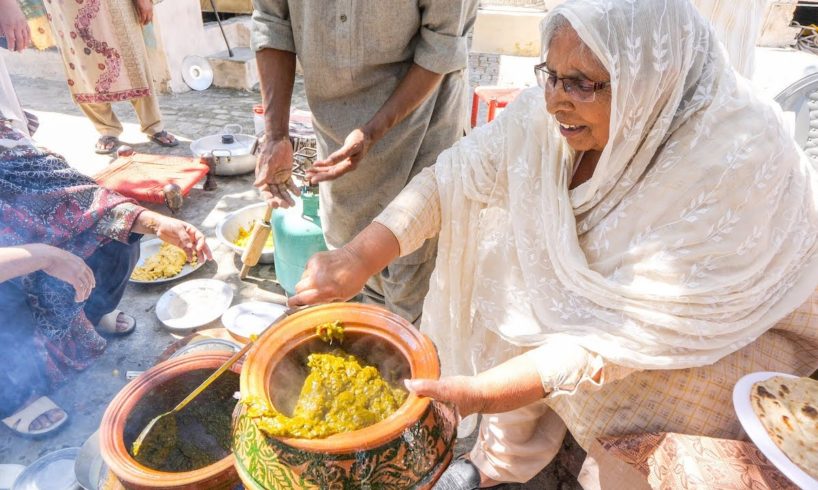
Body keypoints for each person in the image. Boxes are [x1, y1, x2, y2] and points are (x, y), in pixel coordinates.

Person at [288, 0, 818, 487]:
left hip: (737, 332)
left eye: (583, 84)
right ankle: (502, 458)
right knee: (517, 267)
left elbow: (615, 343)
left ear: (647, 84)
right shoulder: (555, 115)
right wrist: (355, 256)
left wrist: (482, 393)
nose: (556, 100)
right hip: (621, 316)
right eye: (550, 75)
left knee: (627, 408)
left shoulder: (728, 165)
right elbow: (455, 176)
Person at [251, 0, 478, 323]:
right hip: (339, 154)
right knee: (355, 274)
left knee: (413, 297)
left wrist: (373, 131)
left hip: (421, 139)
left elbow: (441, 44)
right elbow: (272, 22)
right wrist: (275, 135)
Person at [0, 118, 211, 437]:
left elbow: (71, 194)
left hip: (31, 251)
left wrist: (153, 223)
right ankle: (12, 396)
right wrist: (45, 256)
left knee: (118, 234)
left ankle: (87, 315)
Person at [38, 0, 178, 153]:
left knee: (133, 61)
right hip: (65, 7)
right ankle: (107, 129)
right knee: (83, 68)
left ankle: (153, 125)